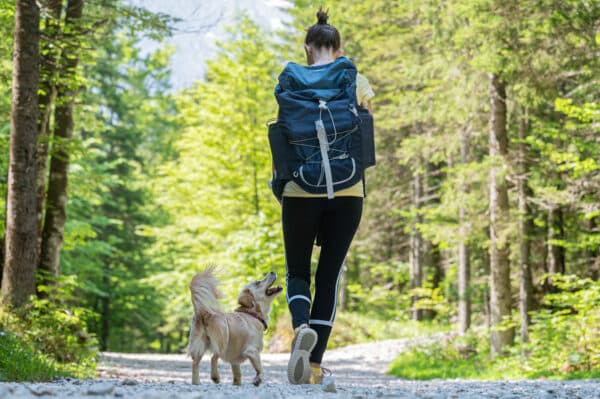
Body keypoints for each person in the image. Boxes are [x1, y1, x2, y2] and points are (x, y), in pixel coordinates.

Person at [282, 8, 375, 385]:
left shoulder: (291, 80)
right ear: (338, 48)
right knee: (329, 275)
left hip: (299, 188)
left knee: (298, 272)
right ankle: (315, 366)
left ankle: (301, 325)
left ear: (308, 47)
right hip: (348, 188)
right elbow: (366, 129)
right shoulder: (356, 79)